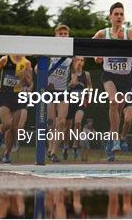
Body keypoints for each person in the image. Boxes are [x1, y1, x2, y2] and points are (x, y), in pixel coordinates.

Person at [93, 2, 132, 161]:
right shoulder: (102, 33)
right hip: (109, 75)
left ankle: (109, 141)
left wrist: (122, 42)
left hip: (125, 78)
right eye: (116, 14)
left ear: (124, 17)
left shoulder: (129, 32)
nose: (119, 16)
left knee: (118, 111)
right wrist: (96, 56)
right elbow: (88, 46)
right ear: (110, 16)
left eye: (121, 14)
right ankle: (116, 138)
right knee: (113, 102)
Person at [0, 54, 32, 163]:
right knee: (7, 123)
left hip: (18, 96)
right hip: (5, 94)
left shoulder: (26, 62)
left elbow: (30, 83)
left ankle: (6, 154)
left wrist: (25, 77)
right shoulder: (5, 59)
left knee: (14, 128)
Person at [44, 24, 73, 162]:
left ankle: (54, 152)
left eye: (65, 34)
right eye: (60, 34)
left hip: (63, 91)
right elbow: (38, 68)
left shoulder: (71, 53)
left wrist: (73, 79)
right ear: (55, 36)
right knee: (51, 123)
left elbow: (74, 72)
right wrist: (44, 79)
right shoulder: (49, 51)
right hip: (50, 91)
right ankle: (49, 148)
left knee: (61, 122)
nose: (63, 36)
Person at [63, 56, 92, 160]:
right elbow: (63, 87)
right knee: (67, 126)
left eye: (82, 60)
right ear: (73, 61)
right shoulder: (68, 73)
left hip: (81, 102)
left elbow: (89, 86)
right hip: (69, 102)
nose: (79, 62)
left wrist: (88, 95)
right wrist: (71, 84)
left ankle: (75, 146)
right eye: (77, 60)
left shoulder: (86, 74)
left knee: (78, 123)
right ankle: (66, 146)